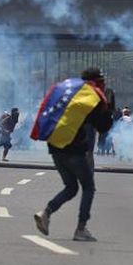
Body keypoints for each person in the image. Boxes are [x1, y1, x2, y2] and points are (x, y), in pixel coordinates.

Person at [32, 68, 115, 242]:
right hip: (74, 149)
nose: (104, 84)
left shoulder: (68, 89)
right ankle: (81, 229)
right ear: (96, 81)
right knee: (88, 187)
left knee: (71, 188)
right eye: (102, 81)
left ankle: (46, 212)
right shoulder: (91, 97)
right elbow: (103, 127)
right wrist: (108, 106)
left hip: (55, 147)